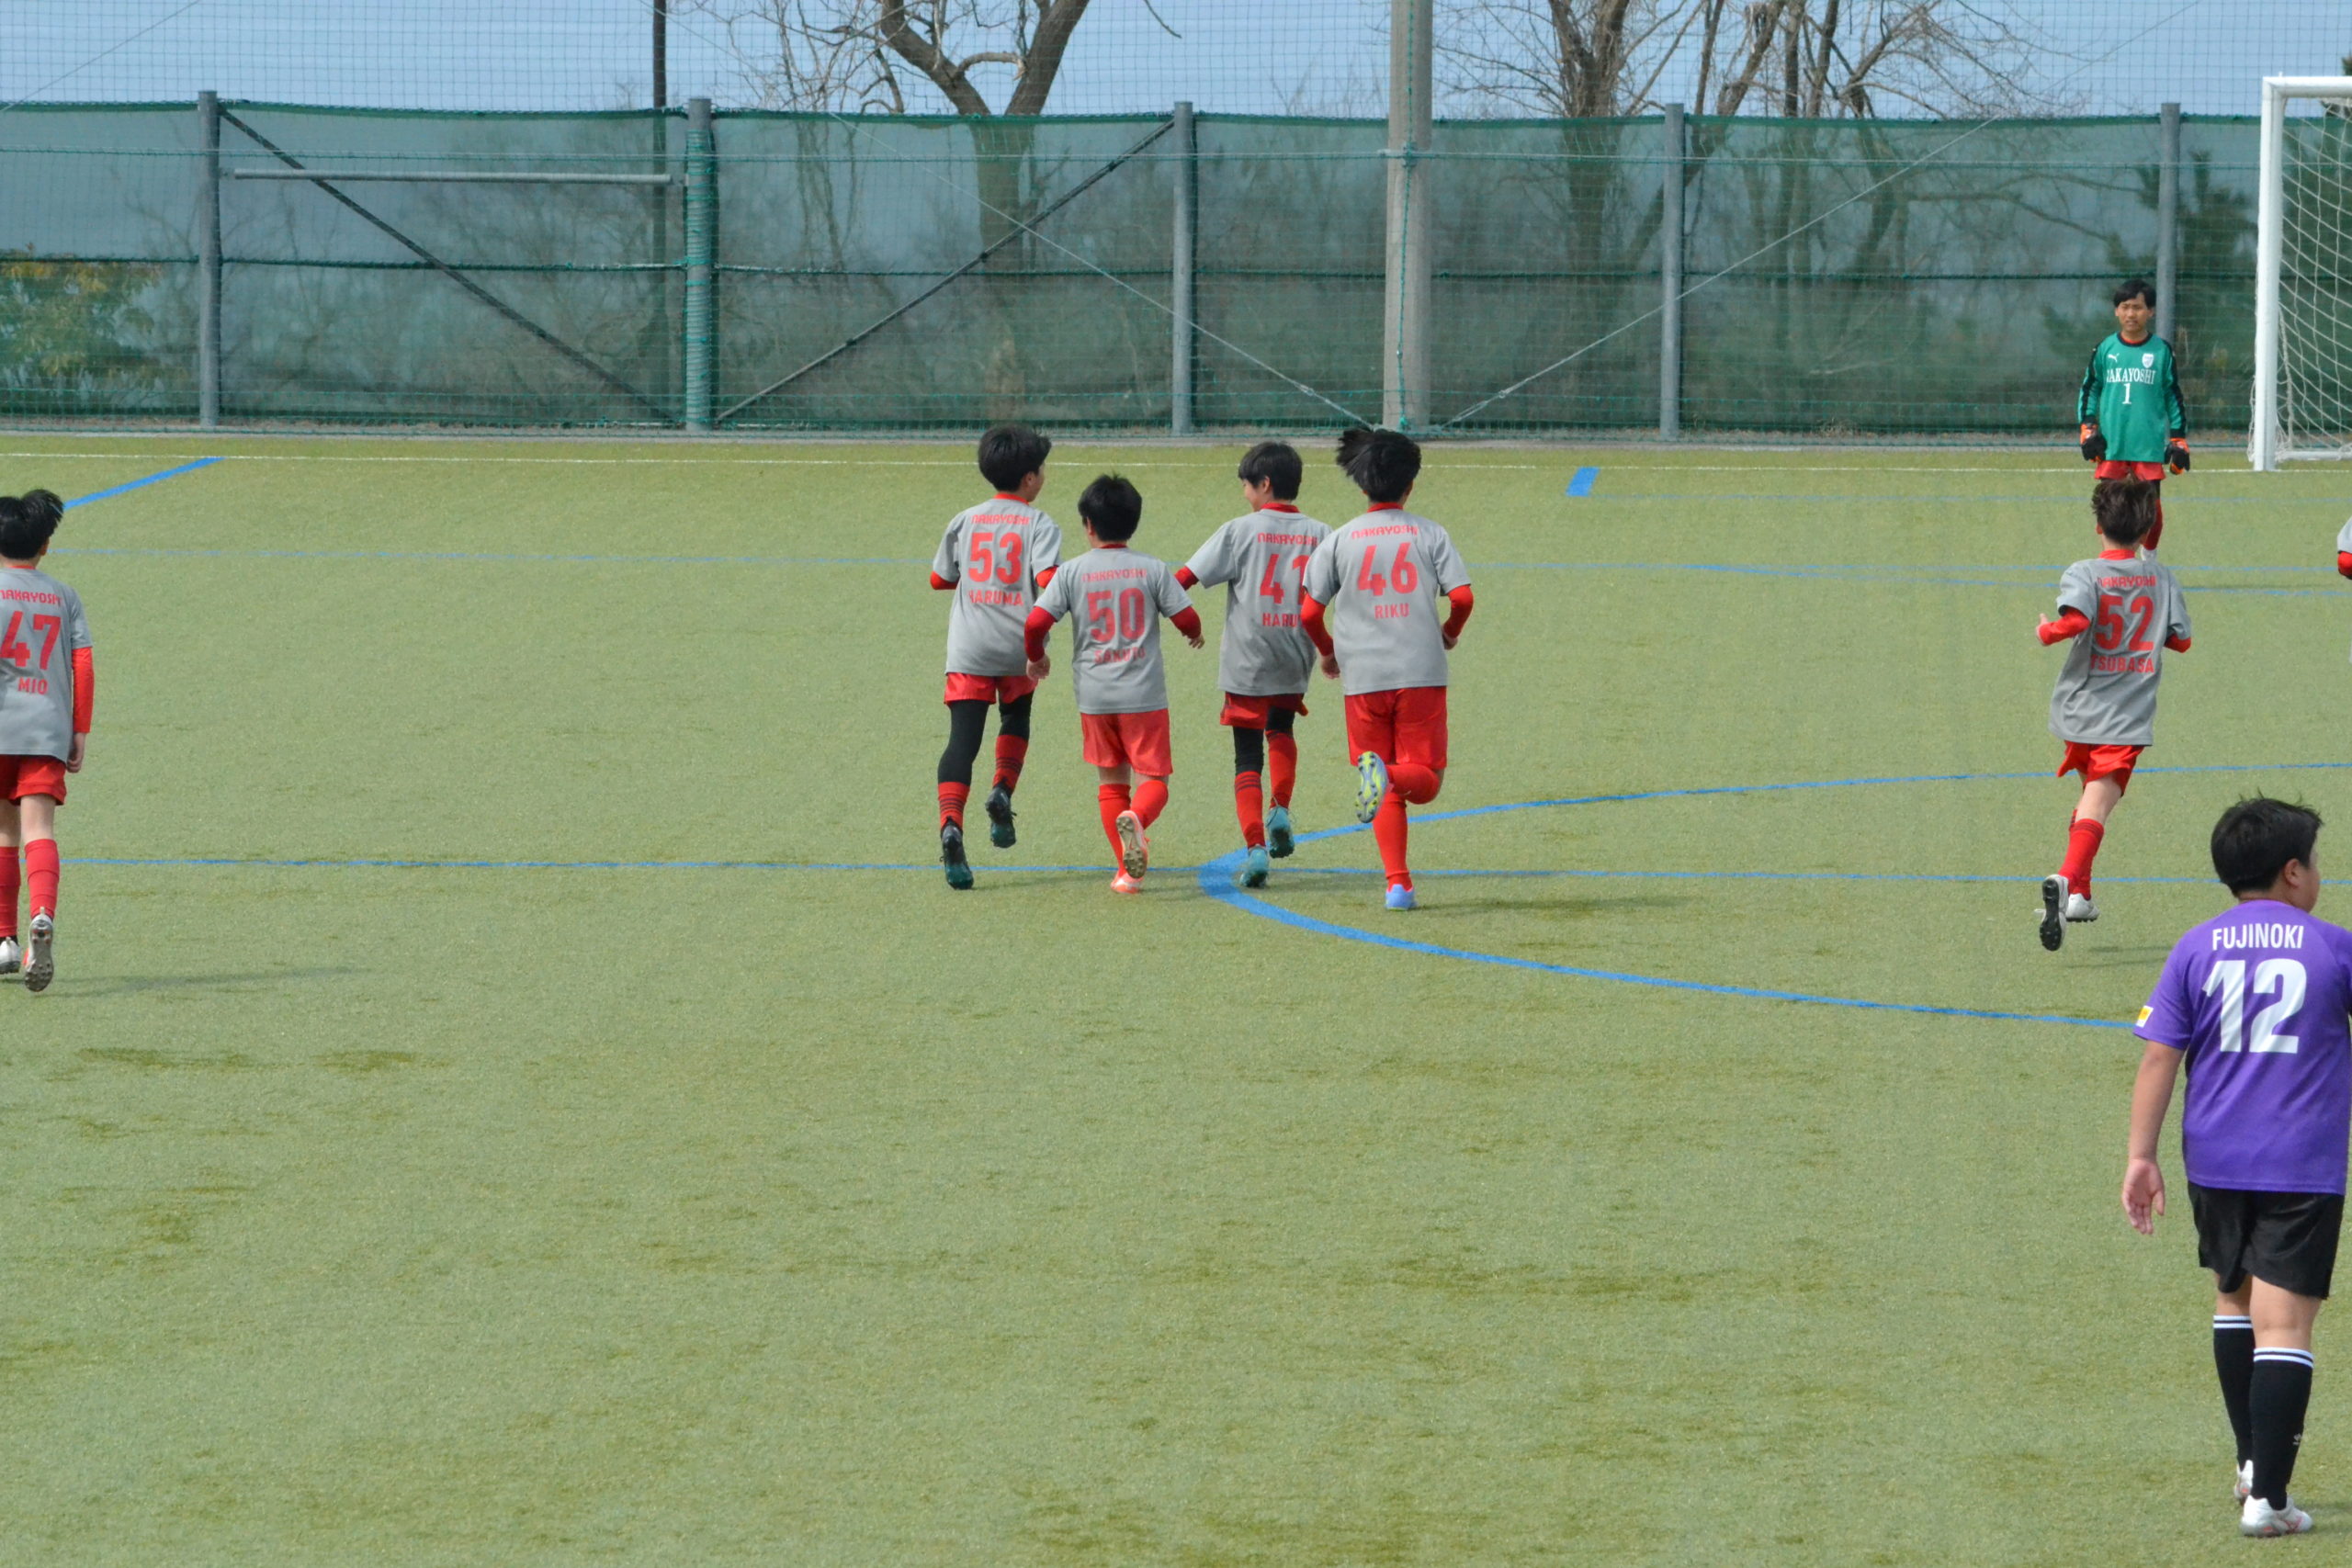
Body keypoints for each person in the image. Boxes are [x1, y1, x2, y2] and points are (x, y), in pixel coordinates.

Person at [2125, 797, 2352, 1538]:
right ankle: (2269, 1500)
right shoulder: (2333, 947)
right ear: (2293, 872)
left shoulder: (2195, 946)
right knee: (2285, 1323)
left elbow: (2160, 1056)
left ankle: (2253, 1463)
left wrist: (2140, 1155)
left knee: (2234, 1299)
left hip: (2213, 1160)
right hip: (2300, 1164)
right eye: (2315, 861)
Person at [1299, 428, 1473, 911]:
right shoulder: (1429, 533)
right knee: (1425, 780)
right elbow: (1462, 597)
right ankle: (1389, 778)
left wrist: (1329, 652)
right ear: (1410, 485)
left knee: (1382, 778)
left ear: (1362, 487)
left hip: (1363, 677)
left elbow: (1309, 613)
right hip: (1420, 671)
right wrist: (1449, 631)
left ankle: (1398, 885)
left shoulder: (1340, 540)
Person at [1024, 475, 1202, 893]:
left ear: (1088, 524)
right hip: (1143, 696)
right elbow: (1186, 617)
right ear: (1134, 522)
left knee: (1110, 782)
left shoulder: (1071, 572)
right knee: (1153, 779)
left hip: (1094, 696)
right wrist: (1193, 633)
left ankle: (1126, 872)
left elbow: (1034, 624)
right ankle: (1138, 819)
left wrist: (1037, 658)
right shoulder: (1151, 568)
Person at [2035, 479, 2188, 951]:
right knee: (2099, 804)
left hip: (2078, 708)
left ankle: (2080, 895)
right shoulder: (2161, 578)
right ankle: (2064, 879)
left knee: (2090, 799)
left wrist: (2047, 631)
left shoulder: (2084, 571)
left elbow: (2077, 620)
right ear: (2146, 531)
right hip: (2122, 717)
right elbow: (2181, 641)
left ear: (2098, 525)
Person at [1175, 441, 1331, 888]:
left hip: (1247, 659)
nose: (1244, 494)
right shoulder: (1321, 533)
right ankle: (1280, 807)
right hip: (1295, 652)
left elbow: (1184, 579)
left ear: (1264, 484)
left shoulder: (1239, 530)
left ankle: (1255, 848)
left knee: (1246, 755)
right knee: (1281, 729)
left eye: (1246, 485)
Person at [929, 425, 1061, 891]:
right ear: (1030, 478)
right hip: (1017, 648)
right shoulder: (1039, 523)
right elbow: (1048, 580)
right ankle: (1002, 789)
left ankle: (951, 826)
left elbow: (939, 579)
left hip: (969, 648)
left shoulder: (965, 519)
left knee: (961, 743)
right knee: (1016, 719)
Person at [0, 489, 93, 994]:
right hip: (47, 730)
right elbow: (83, 665)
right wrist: (79, 730)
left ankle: (4, 940)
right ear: (45, 545)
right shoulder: (64, 595)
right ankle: (42, 916)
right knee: (40, 829)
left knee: (3, 832)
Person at [2077, 277, 2189, 549]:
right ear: (2116, 311)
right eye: (2125, 307)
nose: (2131, 314)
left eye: (2137, 307)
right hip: (2112, 444)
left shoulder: (2161, 351)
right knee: (2109, 508)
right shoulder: (2105, 349)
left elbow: (2172, 394)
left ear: (2150, 311)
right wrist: (2088, 427)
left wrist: (2178, 438)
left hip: (2147, 445)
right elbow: (2091, 388)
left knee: (2151, 511)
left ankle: (2148, 562)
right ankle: (2111, 559)